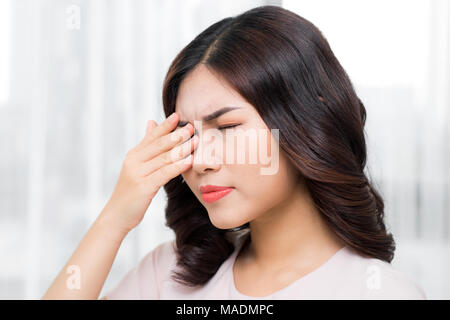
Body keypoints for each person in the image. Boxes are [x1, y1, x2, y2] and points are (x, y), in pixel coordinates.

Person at [42, 5, 426, 300]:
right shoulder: (172, 275)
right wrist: (114, 219)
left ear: (306, 120)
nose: (202, 160)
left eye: (227, 128)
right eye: (188, 135)